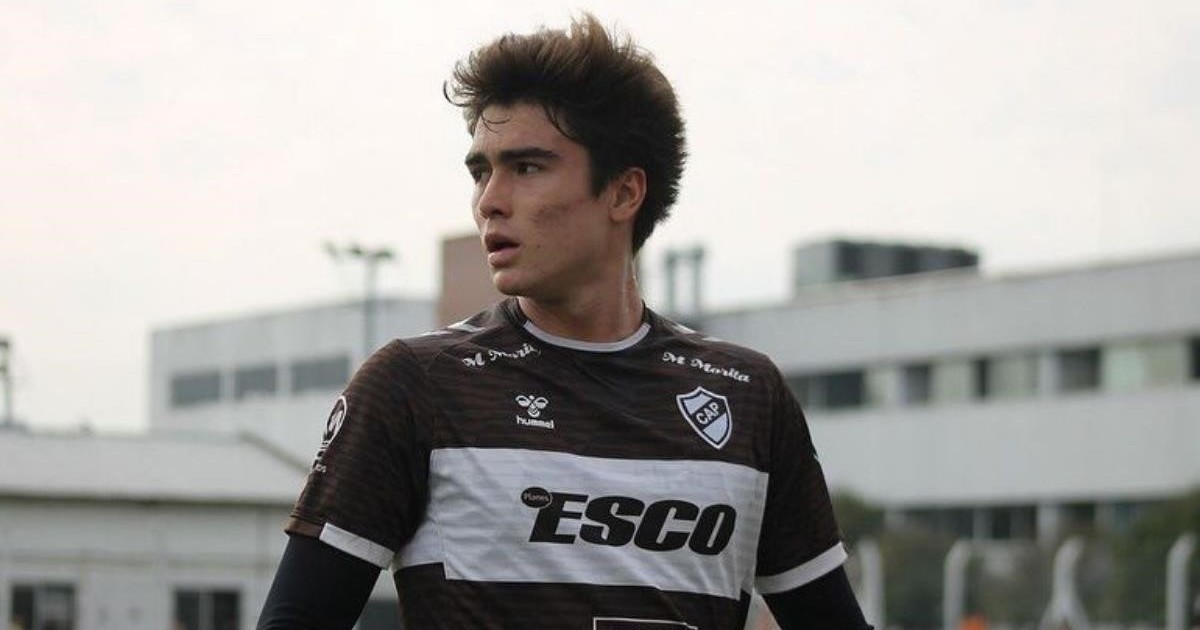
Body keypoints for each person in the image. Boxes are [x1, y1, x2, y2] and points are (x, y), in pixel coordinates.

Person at [258, 13, 871, 630]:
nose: (489, 201)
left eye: (526, 167)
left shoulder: (747, 395)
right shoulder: (416, 385)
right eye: (480, 171)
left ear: (624, 193)